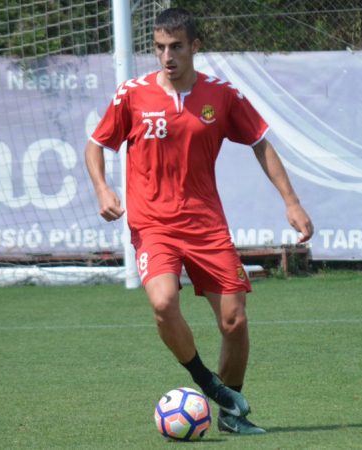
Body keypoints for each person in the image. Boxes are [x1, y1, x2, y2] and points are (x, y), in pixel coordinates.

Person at [84, 7, 313, 435]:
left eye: (175, 47)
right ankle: (207, 382)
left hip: (206, 225)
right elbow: (96, 145)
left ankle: (231, 414)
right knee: (163, 302)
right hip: (154, 225)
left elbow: (261, 144)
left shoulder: (222, 96)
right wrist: (101, 188)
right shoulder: (132, 95)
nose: (166, 56)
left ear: (194, 47)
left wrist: (292, 202)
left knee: (235, 320)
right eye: (158, 48)